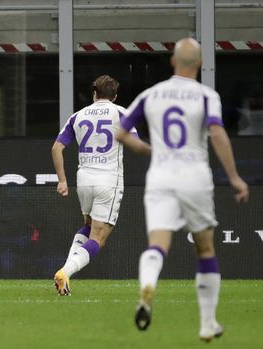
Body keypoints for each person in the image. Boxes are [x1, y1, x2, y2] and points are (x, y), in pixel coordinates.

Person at [116, 38, 249, 341]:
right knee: (204, 247)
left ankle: (147, 286)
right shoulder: (206, 96)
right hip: (194, 175)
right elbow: (216, 133)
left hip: (160, 176)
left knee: (158, 243)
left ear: (173, 62)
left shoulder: (151, 95)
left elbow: (120, 132)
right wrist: (235, 177)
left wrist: (150, 151)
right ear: (201, 64)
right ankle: (207, 322)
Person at [51, 75, 143, 296]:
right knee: (98, 238)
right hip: (108, 181)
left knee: (88, 226)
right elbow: (136, 144)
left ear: (94, 93)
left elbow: (56, 148)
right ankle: (66, 271)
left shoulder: (77, 115)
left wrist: (63, 180)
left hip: (84, 180)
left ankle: (65, 276)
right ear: (115, 96)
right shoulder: (120, 113)